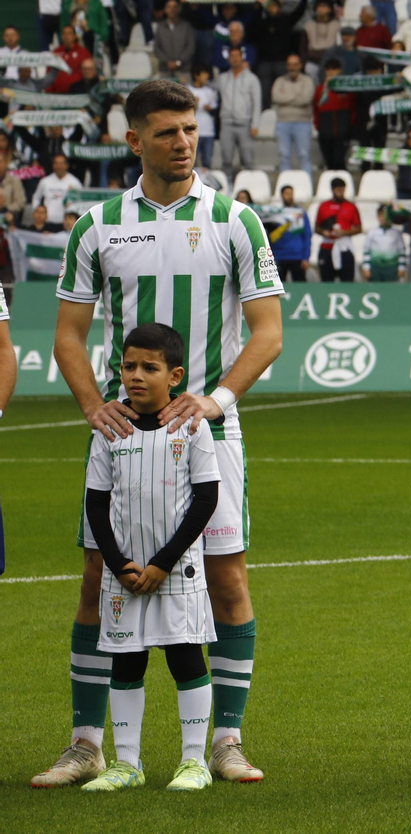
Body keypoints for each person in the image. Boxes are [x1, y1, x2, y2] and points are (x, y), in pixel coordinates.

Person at [36, 80, 284, 790]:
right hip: (123, 435)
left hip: (209, 432)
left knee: (227, 579)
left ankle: (226, 742)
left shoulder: (237, 220)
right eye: (167, 131)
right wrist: (93, 408)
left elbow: (267, 334)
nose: (183, 141)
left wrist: (217, 399)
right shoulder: (98, 225)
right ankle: (86, 744)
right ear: (134, 138)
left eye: (189, 128)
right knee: (97, 581)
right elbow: (68, 336)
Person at [77, 322, 221, 793]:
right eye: (129, 365)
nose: (136, 375)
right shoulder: (110, 429)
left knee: (185, 658)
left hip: (175, 570)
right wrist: (119, 565)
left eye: (150, 367)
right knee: (127, 663)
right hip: (125, 574)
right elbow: (96, 503)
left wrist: (162, 562)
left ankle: (194, 762)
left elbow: (205, 499)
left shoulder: (192, 427)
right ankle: (128, 764)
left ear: (174, 375)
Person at [272, 55, 316, 173]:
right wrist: (296, 96)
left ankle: (307, 187)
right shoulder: (279, 81)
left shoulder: (308, 81)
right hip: (283, 123)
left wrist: (285, 97)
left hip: (302, 123)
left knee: (304, 155)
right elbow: (276, 97)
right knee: (283, 156)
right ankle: (285, 187)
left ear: (300, 65)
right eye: (290, 64)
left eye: (295, 64)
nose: (292, 67)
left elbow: (306, 99)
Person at [314, 177, 362, 282]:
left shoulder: (351, 206)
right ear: (333, 190)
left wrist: (344, 232)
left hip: (344, 247)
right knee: (326, 280)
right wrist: (323, 232)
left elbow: (359, 228)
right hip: (327, 247)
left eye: (343, 190)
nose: (341, 193)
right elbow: (317, 227)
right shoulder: (324, 206)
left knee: (347, 280)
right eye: (338, 190)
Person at [32, 154, 83, 231]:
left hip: (66, 224)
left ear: (67, 165)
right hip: (47, 223)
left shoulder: (75, 182)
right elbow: (36, 197)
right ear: (53, 165)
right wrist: (38, 213)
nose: (59, 166)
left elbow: (81, 201)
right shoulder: (45, 181)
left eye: (61, 163)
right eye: (56, 163)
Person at [362, 205, 408, 282]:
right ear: (377, 217)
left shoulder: (396, 233)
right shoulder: (372, 233)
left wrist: (401, 267)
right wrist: (366, 267)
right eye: (381, 215)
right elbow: (366, 251)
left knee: (391, 290)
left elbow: (402, 251)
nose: (383, 218)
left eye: (386, 216)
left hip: (391, 267)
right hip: (375, 267)